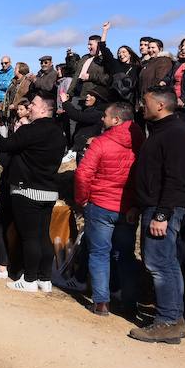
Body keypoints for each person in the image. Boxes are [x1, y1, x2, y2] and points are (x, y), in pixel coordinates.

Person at [128, 86, 185, 344]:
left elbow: (177, 178)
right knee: (165, 263)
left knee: (159, 264)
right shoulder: (160, 132)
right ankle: (172, 319)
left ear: (160, 106)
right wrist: (138, 204)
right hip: (154, 206)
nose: (141, 107)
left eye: (145, 103)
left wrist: (162, 214)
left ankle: (167, 321)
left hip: (163, 209)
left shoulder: (176, 134)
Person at [0, 93, 65, 292]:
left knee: (30, 238)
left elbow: (4, 145)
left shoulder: (32, 130)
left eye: (34, 105)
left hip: (28, 190)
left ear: (44, 109)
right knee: (43, 236)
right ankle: (44, 279)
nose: (30, 108)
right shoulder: (58, 132)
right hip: (49, 191)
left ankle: (29, 280)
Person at [74, 102, 143, 316]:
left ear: (116, 120)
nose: (102, 119)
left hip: (101, 204)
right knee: (125, 255)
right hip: (127, 207)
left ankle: (101, 302)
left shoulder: (101, 143)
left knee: (99, 253)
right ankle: (130, 302)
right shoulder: (141, 144)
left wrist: (82, 200)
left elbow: (83, 174)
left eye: (105, 116)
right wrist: (136, 204)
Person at [58, 89, 108, 164]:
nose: (87, 96)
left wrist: (65, 102)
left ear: (98, 100)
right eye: (88, 94)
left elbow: (77, 115)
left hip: (84, 151)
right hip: (77, 148)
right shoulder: (89, 110)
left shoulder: (98, 114)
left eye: (92, 95)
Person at [67, 33, 111, 102]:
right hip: (76, 95)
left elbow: (107, 79)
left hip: (91, 98)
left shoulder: (105, 60)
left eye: (90, 44)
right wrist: (70, 58)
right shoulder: (85, 57)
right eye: (88, 44)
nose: (88, 47)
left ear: (98, 45)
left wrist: (90, 77)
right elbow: (74, 70)